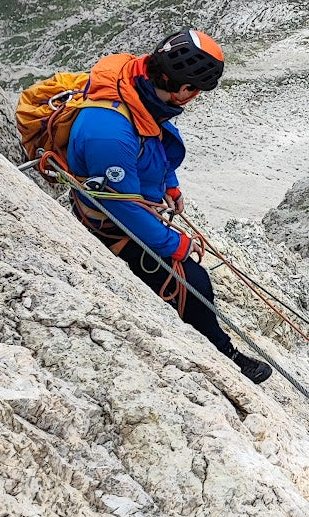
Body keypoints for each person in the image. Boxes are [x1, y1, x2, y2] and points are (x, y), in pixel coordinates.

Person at [65, 29, 272, 383]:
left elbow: (152, 137)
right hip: (108, 223)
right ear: (184, 88)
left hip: (127, 193)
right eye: (195, 93)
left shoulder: (136, 80)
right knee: (193, 281)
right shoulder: (110, 133)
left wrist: (169, 186)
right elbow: (124, 210)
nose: (193, 100)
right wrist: (178, 245)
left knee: (189, 272)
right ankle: (225, 354)